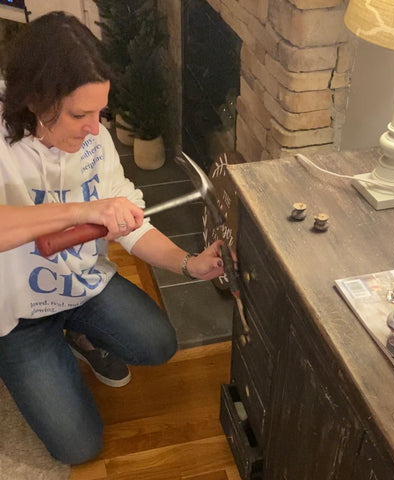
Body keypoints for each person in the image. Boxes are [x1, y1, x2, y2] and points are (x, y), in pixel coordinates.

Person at [0, 11, 225, 465]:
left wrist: (189, 263)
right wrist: (84, 209)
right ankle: (50, 347)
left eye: (99, 112)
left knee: (157, 344)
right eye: (80, 114)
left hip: (83, 286)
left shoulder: (95, 139)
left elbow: (133, 223)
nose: (94, 128)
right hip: (17, 316)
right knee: (78, 447)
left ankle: (81, 336)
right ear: (33, 99)